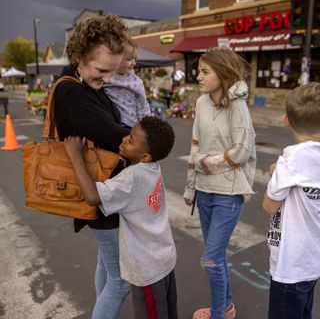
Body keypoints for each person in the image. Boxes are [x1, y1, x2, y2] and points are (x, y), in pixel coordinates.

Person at [54, 15, 131, 319]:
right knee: (121, 281)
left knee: (106, 266)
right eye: (102, 70)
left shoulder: (86, 84)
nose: (108, 78)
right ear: (78, 58)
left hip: (104, 189)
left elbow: (112, 125)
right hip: (99, 192)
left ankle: (103, 308)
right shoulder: (71, 91)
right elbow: (113, 133)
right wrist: (145, 136)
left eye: (112, 71)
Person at [64, 116, 178, 319]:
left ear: (145, 157)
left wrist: (75, 157)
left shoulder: (131, 178)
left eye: (131, 140)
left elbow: (92, 196)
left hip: (147, 269)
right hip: (164, 257)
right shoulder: (153, 168)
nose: (124, 139)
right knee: (167, 311)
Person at [183, 47, 256, 319]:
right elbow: (195, 145)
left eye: (205, 72)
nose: (198, 77)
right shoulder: (202, 103)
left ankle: (217, 314)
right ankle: (225, 307)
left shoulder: (237, 106)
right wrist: (191, 187)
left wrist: (205, 163)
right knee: (217, 256)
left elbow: (241, 151)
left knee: (211, 259)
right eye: (198, 71)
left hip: (229, 192)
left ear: (222, 73)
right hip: (204, 192)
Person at [262, 82, 320, 319]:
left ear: (286, 120)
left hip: (290, 263)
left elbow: (269, 205)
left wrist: (276, 172)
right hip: (312, 259)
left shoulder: (291, 159)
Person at [103, 37, 150, 128]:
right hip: (110, 124)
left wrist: (145, 126)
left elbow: (143, 106)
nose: (134, 63)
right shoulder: (106, 76)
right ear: (116, 59)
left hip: (131, 126)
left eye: (135, 59)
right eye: (129, 59)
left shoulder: (136, 82)